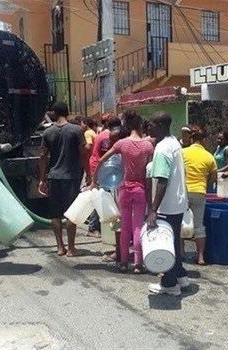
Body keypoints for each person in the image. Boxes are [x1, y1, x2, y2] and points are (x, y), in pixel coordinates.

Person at [92, 110, 153, 273]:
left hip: (124, 189)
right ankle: (138, 264)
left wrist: (94, 180)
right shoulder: (148, 146)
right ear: (140, 126)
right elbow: (150, 170)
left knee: (125, 227)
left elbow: (101, 160)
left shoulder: (121, 144)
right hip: (141, 190)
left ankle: (124, 263)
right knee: (138, 227)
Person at [38, 102, 91, 257]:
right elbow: (83, 153)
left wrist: (42, 179)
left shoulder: (47, 132)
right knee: (71, 213)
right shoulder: (76, 130)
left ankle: (60, 247)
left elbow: (42, 157)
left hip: (54, 177)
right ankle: (71, 248)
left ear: (54, 113)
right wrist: (88, 173)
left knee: (55, 214)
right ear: (67, 112)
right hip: (72, 177)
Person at [146, 112, 189, 296]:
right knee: (174, 240)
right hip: (177, 203)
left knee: (165, 245)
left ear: (160, 125)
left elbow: (162, 180)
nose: (148, 127)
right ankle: (181, 276)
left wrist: (153, 209)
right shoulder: (174, 143)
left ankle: (169, 284)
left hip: (167, 205)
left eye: (151, 124)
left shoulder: (162, 148)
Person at [183, 125, 217, 265]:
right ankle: (201, 257)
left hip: (184, 192)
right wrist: (204, 185)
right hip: (199, 192)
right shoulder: (209, 157)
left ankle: (181, 252)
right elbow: (213, 178)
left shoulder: (183, 152)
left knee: (182, 223)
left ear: (191, 138)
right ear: (204, 140)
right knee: (199, 226)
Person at [87, 117, 123, 238]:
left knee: (104, 197)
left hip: (103, 168)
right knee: (100, 197)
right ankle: (93, 227)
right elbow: (104, 157)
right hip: (100, 169)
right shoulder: (107, 137)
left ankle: (106, 226)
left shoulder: (106, 134)